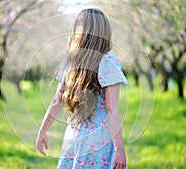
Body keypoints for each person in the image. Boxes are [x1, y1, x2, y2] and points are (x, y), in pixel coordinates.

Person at [36, 8, 128, 169]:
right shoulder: (109, 59)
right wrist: (119, 148)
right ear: (104, 32)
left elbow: (57, 101)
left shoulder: (71, 59)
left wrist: (43, 130)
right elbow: (111, 109)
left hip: (74, 138)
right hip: (100, 141)